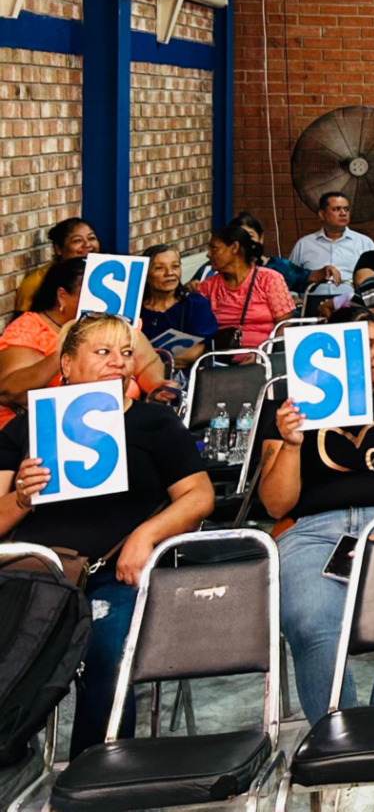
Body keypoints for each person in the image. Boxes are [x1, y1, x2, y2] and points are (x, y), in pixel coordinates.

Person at [0, 314, 212, 755]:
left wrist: (146, 536)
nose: (118, 362)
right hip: (33, 573)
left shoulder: (153, 422)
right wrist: (20, 498)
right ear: (68, 364)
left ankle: (95, 773)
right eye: (103, 352)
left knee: (104, 650)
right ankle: (13, 753)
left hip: (116, 573)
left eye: (127, 353)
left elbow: (198, 496)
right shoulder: (23, 428)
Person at [255, 307, 374, 721]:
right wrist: (290, 444)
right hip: (312, 531)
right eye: (368, 345)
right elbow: (275, 505)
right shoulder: (293, 406)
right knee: (311, 624)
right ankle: (341, 744)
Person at [197, 224, 297, 350]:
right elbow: (198, 331)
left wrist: (264, 352)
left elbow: (284, 324)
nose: (208, 254)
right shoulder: (207, 287)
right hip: (219, 359)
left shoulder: (269, 279)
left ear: (234, 248)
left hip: (264, 358)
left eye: (214, 249)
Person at [288, 191, 374, 308]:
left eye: (346, 209)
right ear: (321, 214)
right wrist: (295, 298)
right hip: (312, 304)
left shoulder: (364, 242)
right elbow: (290, 277)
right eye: (336, 209)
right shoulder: (304, 244)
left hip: (352, 304)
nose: (343, 213)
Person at [139, 243, 217, 368]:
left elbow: (193, 353)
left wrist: (145, 362)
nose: (169, 273)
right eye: (159, 268)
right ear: (146, 274)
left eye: (175, 266)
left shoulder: (195, 305)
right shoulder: (135, 309)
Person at [13, 217, 98, 316]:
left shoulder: (101, 273)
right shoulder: (36, 282)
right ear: (58, 249)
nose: (87, 245)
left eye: (91, 238)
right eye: (77, 241)